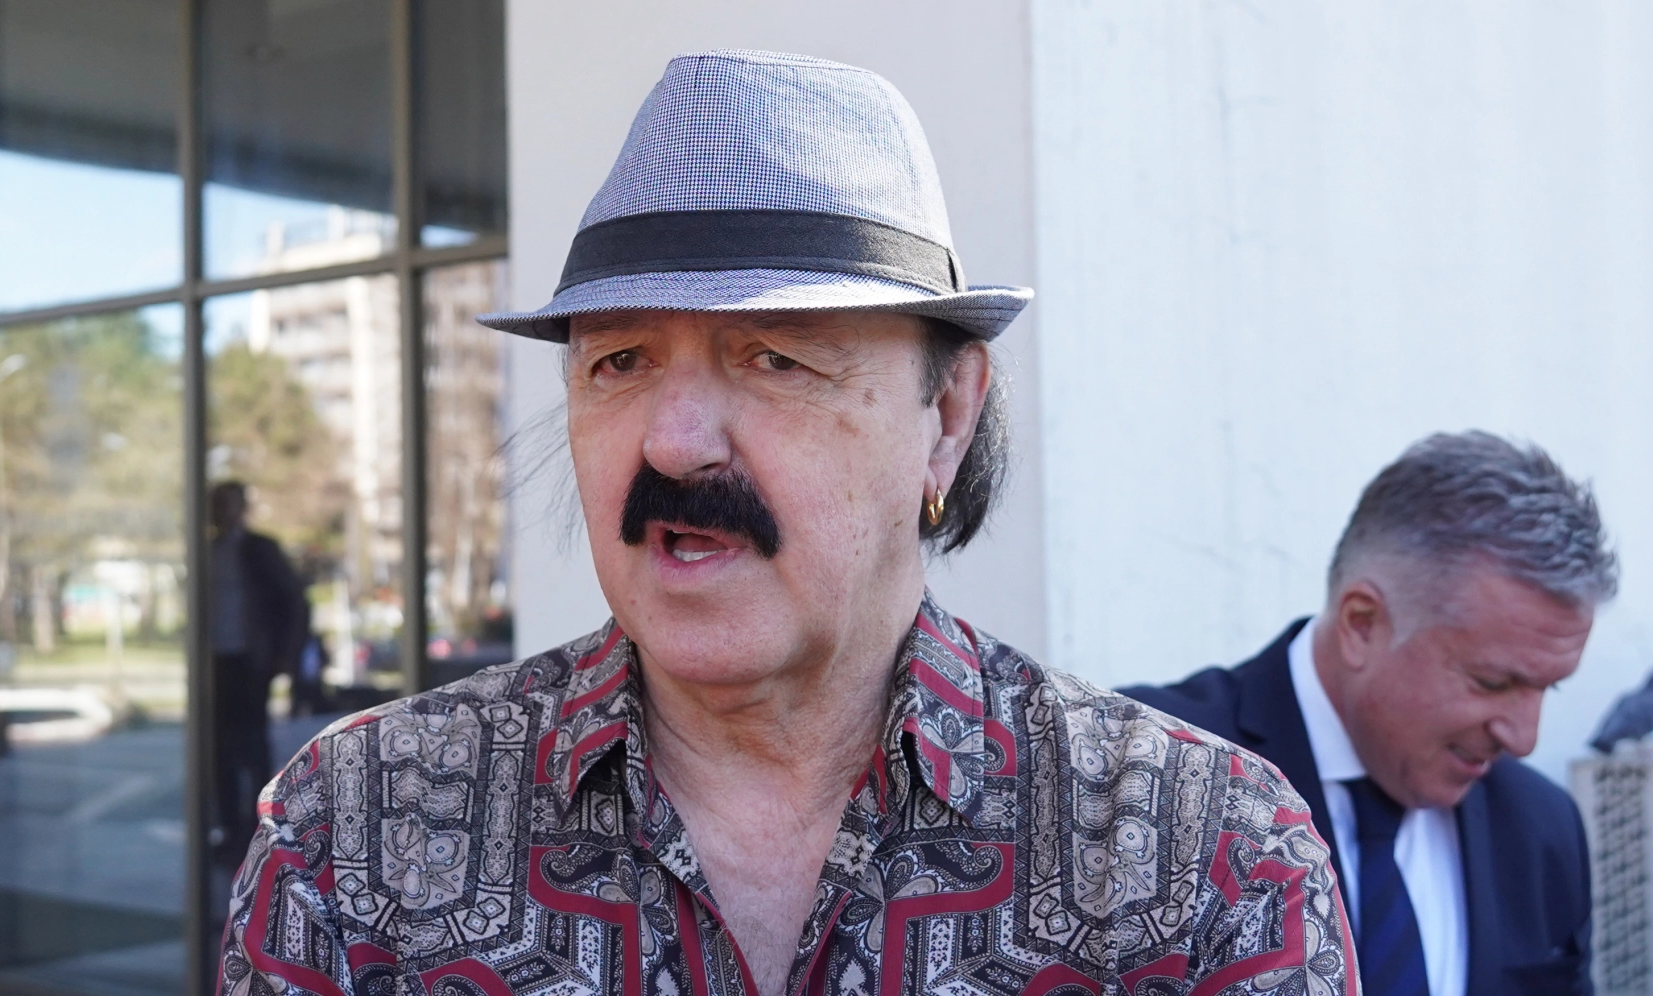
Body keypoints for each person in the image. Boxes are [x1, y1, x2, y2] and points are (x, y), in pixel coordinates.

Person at [219, 50, 1350, 996]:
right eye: (619, 361)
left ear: (947, 418)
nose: (674, 443)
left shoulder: (1201, 863)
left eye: (775, 358)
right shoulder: (355, 833)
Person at [1123, 431, 1616, 996]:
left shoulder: (1543, 829)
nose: (1524, 738)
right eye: (1492, 682)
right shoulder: (1147, 776)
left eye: (1548, 688)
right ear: (1362, 624)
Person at [207, 480, 309, 865]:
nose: (223, 512)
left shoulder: (259, 550)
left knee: (252, 746)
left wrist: (284, 655)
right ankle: (230, 829)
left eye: (229, 504)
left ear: (242, 509)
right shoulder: (209, 551)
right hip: (216, 661)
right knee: (220, 748)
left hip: (251, 660)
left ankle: (259, 831)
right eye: (217, 504)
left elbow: (294, 601)